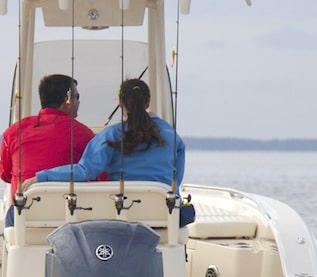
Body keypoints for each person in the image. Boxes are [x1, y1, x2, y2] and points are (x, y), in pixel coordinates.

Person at [21, 77, 193, 225]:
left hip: (123, 217)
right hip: (163, 217)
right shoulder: (173, 137)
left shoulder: (111, 135)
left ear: (120, 102)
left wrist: (42, 176)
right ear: (147, 103)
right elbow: (175, 182)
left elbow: (84, 171)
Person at [0, 74, 95, 207]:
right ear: (67, 99)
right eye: (77, 97)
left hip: (23, 215)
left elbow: (5, 174)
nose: (79, 102)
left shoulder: (12, 132)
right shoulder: (85, 135)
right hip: (68, 214)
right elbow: (97, 175)